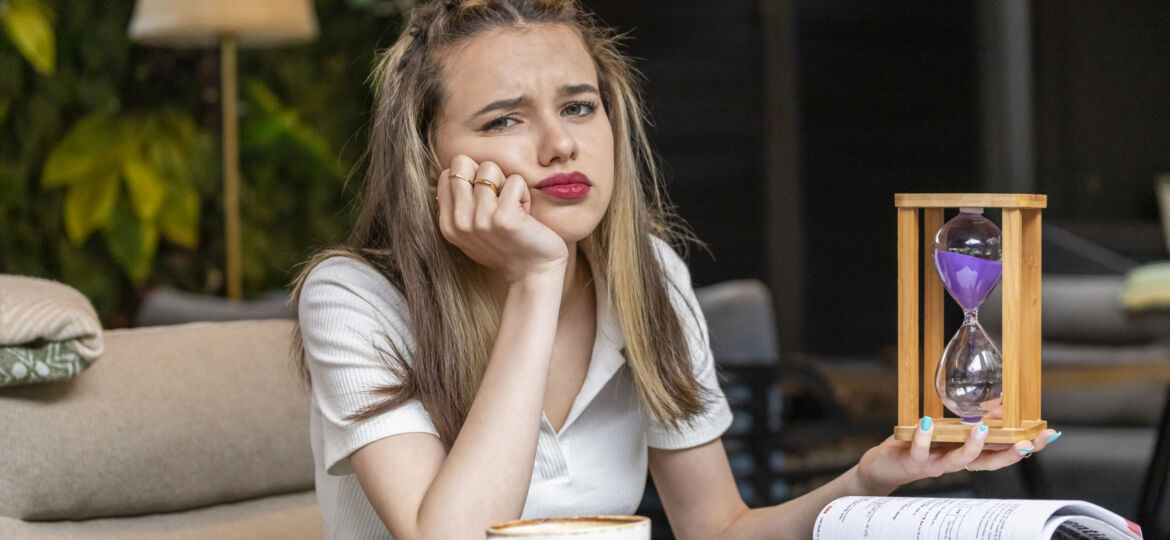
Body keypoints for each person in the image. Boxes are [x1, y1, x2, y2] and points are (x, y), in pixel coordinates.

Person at [292, 1, 1061, 538]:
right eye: (505, 118)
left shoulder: (647, 276)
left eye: (580, 106)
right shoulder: (353, 298)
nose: (559, 145)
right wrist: (535, 281)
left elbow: (718, 529)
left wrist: (867, 480)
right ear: (430, 158)